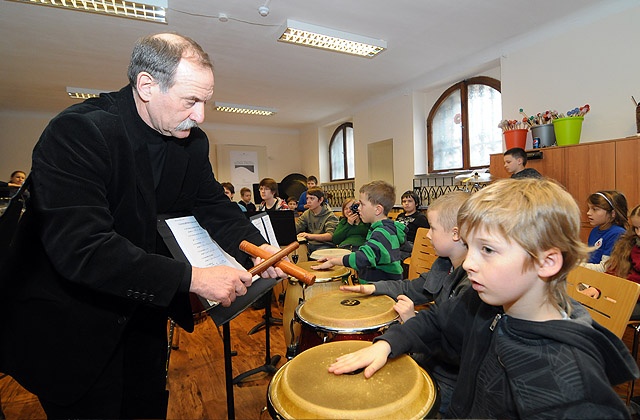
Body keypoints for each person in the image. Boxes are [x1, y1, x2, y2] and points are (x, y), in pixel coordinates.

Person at [0, 33, 285, 419]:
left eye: (206, 101)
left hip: (142, 310)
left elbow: (213, 205)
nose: (201, 115)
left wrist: (259, 248)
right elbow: (84, 248)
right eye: (191, 101)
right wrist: (193, 278)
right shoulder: (79, 133)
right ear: (147, 86)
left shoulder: (191, 142)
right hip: (73, 325)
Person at [328, 178, 638, 419]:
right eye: (471, 248)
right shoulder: (487, 301)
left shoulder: (568, 382)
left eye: (487, 250)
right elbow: (437, 320)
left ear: (546, 262)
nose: (470, 263)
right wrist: (387, 344)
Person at [339, 190, 469, 414]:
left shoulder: (471, 284)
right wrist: (374, 287)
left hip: (450, 378)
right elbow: (412, 287)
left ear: (455, 234)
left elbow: (457, 348)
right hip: (433, 357)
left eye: (433, 229)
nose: (427, 236)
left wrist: (412, 320)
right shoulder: (445, 264)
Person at [312, 180, 406, 282]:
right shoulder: (380, 229)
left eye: (362, 204)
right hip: (377, 287)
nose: (359, 209)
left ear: (377, 209)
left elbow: (363, 257)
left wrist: (334, 261)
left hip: (383, 292)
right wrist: (334, 258)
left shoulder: (382, 233)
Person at [585, 204, 640, 319]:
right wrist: (598, 288)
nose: (638, 233)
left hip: (632, 296)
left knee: (606, 310)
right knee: (589, 304)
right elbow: (614, 270)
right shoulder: (630, 244)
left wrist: (618, 295)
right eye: (636, 228)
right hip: (625, 293)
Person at [581, 190, 628, 273]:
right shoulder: (595, 231)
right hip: (589, 276)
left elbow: (605, 268)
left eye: (595, 209)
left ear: (613, 213)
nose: (588, 213)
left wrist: (578, 266)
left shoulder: (618, 233)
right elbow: (590, 259)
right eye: (589, 209)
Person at [295, 187, 339, 253]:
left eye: (312, 198)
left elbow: (330, 235)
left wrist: (309, 236)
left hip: (325, 246)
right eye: (307, 198)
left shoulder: (330, 216)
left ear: (320, 200)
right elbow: (297, 227)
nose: (308, 201)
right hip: (309, 245)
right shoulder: (307, 213)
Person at [395, 190, 429, 261]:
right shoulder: (400, 216)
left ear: (416, 203)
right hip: (398, 242)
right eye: (404, 201)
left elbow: (425, 238)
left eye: (410, 201)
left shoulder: (420, 218)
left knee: (394, 253)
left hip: (411, 244)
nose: (406, 204)